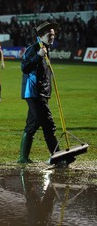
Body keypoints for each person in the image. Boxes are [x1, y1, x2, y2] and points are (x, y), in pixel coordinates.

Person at [18, 21, 74, 166]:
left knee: (32, 125)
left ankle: (23, 158)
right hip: (34, 93)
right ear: (41, 35)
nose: (52, 37)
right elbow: (24, 68)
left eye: (54, 35)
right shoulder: (34, 49)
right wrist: (38, 55)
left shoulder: (45, 48)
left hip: (41, 93)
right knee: (49, 125)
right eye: (50, 35)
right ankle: (58, 158)